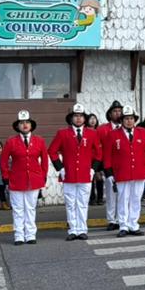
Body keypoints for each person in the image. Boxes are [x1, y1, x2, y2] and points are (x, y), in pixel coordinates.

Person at [49, 103, 99, 240]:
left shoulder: (92, 133)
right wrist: (60, 168)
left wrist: (93, 169)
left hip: (85, 175)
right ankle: (73, 230)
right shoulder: (62, 133)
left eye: (81, 116)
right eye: (76, 116)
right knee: (71, 204)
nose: (78, 119)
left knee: (82, 203)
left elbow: (99, 153)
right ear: (71, 118)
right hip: (69, 175)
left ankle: (82, 229)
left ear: (85, 118)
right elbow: (52, 151)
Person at [1, 110, 49, 245]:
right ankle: (19, 235)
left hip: (34, 180)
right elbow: (3, 161)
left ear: (31, 125)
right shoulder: (11, 142)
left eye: (27, 122)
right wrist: (6, 177)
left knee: (30, 208)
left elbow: (44, 160)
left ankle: (31, 234)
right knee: (18, 209)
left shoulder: (39, 141)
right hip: (16, 180)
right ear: (17, 126)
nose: (25, 125)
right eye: (21, 123)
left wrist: (43, 176)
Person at [105, 108, 145, 237]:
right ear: (122, 120)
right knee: (123, 200)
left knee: (136, 199)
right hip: (121, 174)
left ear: (135, 120)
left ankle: (133, 225)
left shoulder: (142, 132)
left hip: (139, 172)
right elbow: (107, 155)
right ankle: (123, 226)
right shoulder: (113, 134)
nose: (129, 121)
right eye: (126, 119)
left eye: (131, 118)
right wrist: (109, 174)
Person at [96, 101, 125, 230]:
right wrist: (100, 168)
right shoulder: (102, 129)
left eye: (119, 111)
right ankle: (112, 220)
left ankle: (121, 219)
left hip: (123, 166)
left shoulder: (127, 128)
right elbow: (97, 149)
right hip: (108, 167)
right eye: (115, 111)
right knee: (110, 194)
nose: (118, 113)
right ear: (110, 114)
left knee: (123, 195)